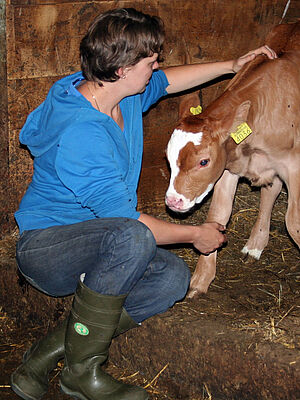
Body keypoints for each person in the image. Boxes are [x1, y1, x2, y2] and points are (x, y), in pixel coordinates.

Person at [10, 7, 277, 400]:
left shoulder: (122, 95)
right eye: (149, 62)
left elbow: (169, 82)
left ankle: (46, 354)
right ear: (121, 69)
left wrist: (231, 65)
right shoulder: (83, 133)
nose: (156, 68)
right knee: (133, 236)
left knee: (171, 279)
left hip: (105, 240)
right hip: (49, 248)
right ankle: (83, 374)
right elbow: (123, 220)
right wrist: (195, 235)